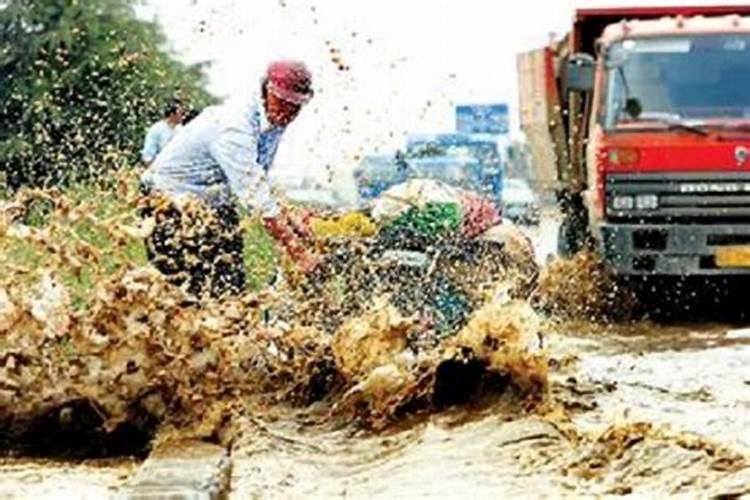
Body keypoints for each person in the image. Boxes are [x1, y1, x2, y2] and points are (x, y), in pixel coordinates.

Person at [140, 61, 319, 298]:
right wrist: (298, 253)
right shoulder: (235, 125)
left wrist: (289, 218)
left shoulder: (274, 121)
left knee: (230, 288)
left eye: (296, 107)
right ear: (267, 91)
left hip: (212, 202)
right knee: (184, 293)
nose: (289, 113)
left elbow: (258, 178)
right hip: (170, 203)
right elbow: (255, 195)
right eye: (283, 103)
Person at [141, 98, 184, 165]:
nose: (183, 116)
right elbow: (147, 157)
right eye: (181, 113)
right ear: (172, 114)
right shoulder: (156, 129)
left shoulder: (181, 130)